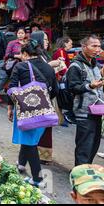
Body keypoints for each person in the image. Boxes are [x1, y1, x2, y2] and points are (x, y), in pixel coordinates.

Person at [8, 40, 58, 187]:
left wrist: (10, 108)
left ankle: (38, 179)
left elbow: (11, 90)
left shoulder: (21, 66)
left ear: (25, 54)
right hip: (44, 110)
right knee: (30, 139)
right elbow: (55, 90)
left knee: (29, 143)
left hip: (26, 111)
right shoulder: (49, 68)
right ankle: (21, 163)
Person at [67, 35, 104, 166]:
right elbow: (72, 87)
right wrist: (90, 86)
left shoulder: (95, 65)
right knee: (84, 146)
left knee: (94, 144)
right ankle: (80, 175)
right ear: (84, 47)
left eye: (99, 46)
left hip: (97, 111)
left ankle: (86, 171)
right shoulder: (76, 66)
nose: (97, 49)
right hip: (84, 112)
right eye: (94, 46)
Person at [30, 30, 61, 163]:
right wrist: (50, 66)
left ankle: (44, 155)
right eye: (45, 39)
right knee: (37, 126)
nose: (47, 42)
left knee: (46, 126)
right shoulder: (35, 57)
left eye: (48, 39)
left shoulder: (45, 55)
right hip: (37, 97)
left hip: (47, 95)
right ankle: (35, 155)